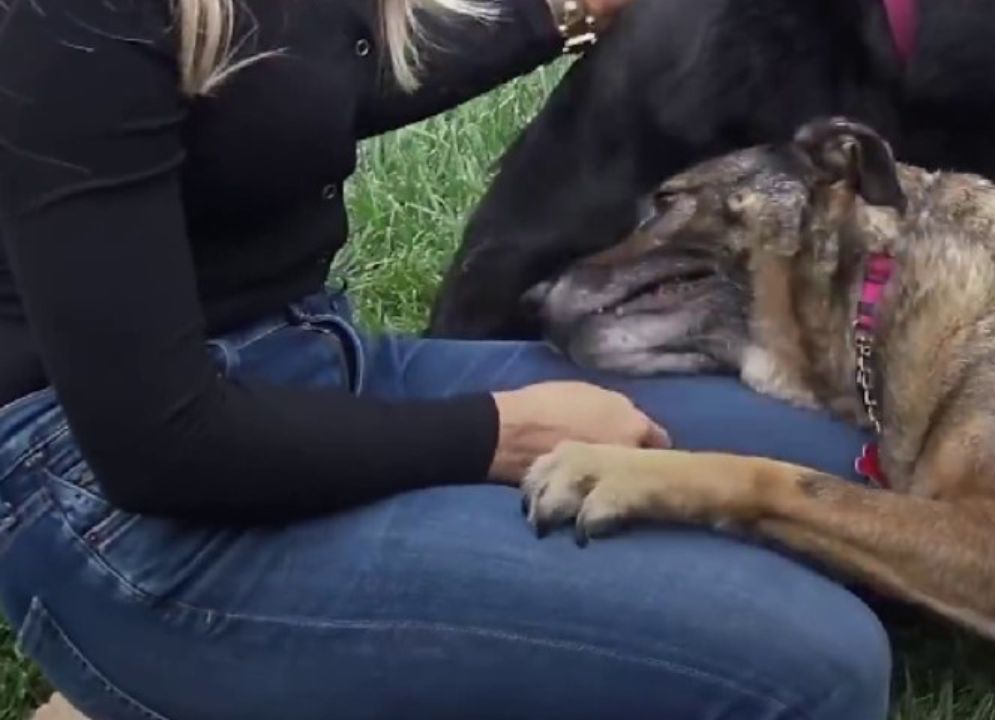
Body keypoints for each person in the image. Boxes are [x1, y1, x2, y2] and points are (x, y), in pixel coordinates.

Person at [0, 0, 893, 717]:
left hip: (306, 368)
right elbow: (160, 445)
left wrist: (555, 16)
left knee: (866, 472)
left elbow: (302, 87)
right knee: (815, 665)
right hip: (119, 512)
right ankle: (167, 658)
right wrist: (496, 436)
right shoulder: (69, 22)